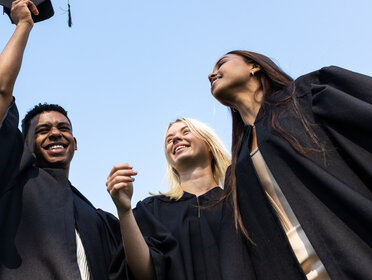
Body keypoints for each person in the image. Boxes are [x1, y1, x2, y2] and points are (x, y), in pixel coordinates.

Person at [0, 0, 122, 280]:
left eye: (63, 129)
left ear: (75, 143)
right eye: (42, 130)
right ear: (24, 144)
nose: (55, 133)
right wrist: (23, 26)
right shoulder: (8, 183)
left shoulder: (94, 217)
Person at [208, 50, 372, 280]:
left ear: (253, 66)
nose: (211, 74)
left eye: (221, 64)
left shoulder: (307, 95)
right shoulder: (236, 171)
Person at [106, 118, 255, 280]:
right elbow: (145, 274)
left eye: (186, 131)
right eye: (169, 140)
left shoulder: (238, 200)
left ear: (210, 145)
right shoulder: (151, 211)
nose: (176, 139)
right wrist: (125, 211)